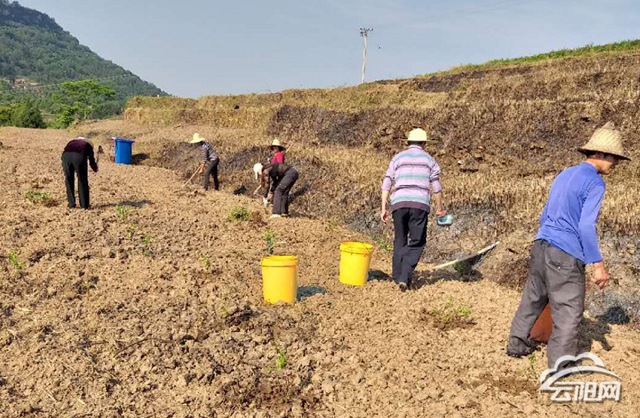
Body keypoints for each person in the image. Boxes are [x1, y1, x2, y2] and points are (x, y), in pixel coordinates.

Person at [506, 122, 630, 368]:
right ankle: (560, 365)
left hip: (542, 244)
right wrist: (597, 264)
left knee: (533, 298)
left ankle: (516, 345)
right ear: (600, 154)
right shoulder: (595, 183)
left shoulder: (565, 174)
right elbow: (586, 226)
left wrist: (544, 238)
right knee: (568, 310)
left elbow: (545, 213)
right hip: (565, 252)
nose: (615, 163)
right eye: (614, 158)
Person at [380, 128, 445, 291]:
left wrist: (383, 207)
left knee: (400, 239)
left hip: (399, 203)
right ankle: (404, 277)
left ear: (408, 142)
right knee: (417, 241)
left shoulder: (397, 158)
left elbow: (387, 182)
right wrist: (439, 207)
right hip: (419, 204)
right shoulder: (429, 160)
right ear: (424, 143)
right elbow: (436, 186)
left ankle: (397, 277)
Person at [61, 136, 98, 209]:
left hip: (66, 157)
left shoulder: (71, 142)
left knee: (69, 179)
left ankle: (71, 204)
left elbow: (64, 152)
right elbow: (91, 161)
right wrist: (95, 168)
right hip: (79, 157)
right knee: (82, 179)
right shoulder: (87, 145)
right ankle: (84, 205)